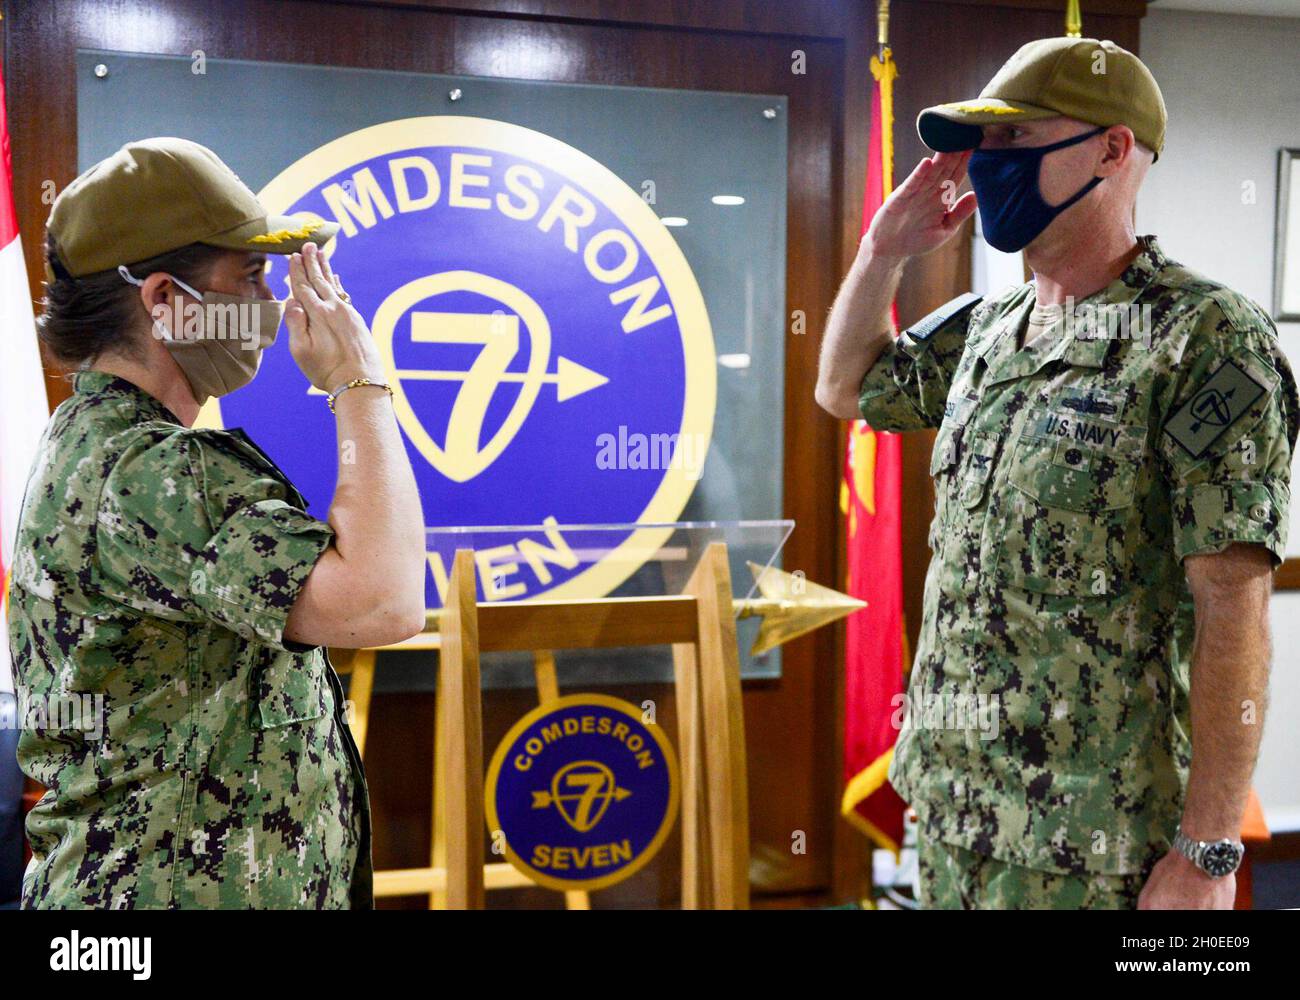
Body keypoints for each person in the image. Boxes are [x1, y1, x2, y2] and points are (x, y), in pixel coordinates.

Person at [816, 37, 1297, 909]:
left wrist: (1210, 852)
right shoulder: (988, 330)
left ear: (1113, 150)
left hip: (1099, 843)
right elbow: (845, 386)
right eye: (983, 146)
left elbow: (1234, 609)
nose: (986, 166)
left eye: (1013, 140)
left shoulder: (1208, 339)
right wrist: (884, 249)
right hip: (955, 810)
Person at [9, 137, 427, 908]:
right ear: (166, 301)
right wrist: (358, 382)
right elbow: (384, 599)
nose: (276, 303)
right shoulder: (154, 470)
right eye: (251, 276)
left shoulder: (93, 441)